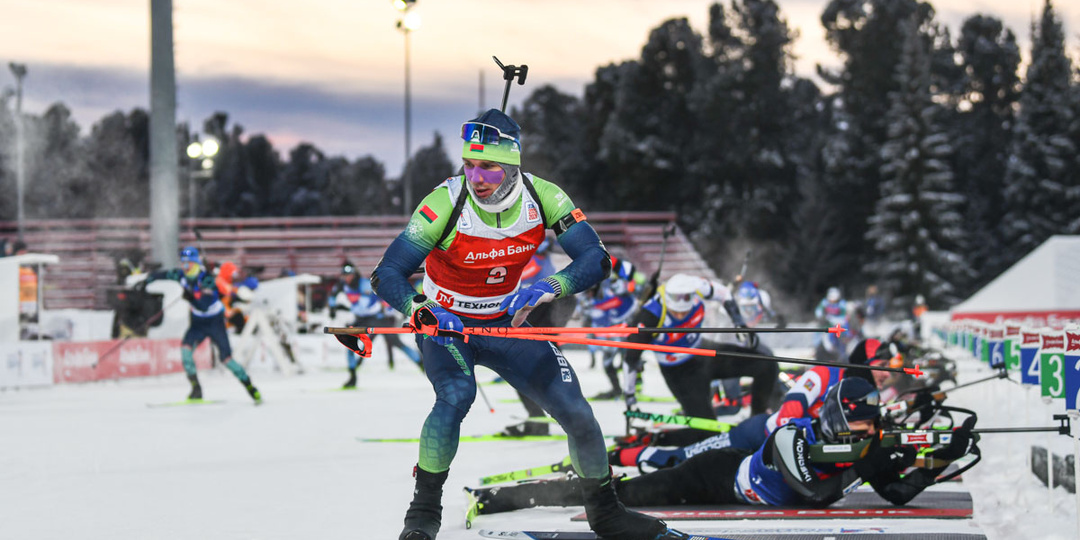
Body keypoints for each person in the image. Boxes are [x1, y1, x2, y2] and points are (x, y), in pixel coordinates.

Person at [369, 108, 684, 540]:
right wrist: (420, 308)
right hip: (448, 327)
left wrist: (552, 286)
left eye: (489, 168)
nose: (476, 178)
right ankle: (422, 513)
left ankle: (606, 514)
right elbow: (386, 272)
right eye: (469, 165)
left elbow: (597, 259)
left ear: (513, 166)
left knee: (577, 411)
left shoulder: (544, 197)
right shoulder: (445, 202)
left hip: (506, 323)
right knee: (455, 397)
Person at [467, 377, 979, 514]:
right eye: (864, 426)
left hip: (730, 473)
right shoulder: (794, 436)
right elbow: (813, 493)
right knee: (618, 496)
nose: (871, 433)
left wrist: (941, 457)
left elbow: (898, 492)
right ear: (841, 421)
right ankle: (512, 497)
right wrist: (870, 460)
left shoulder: (859, 451)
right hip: (712, 475)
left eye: (872, 428)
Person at [609, 339, 897, 470]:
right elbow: (790, 412)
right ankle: (616, 457)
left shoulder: (865, 396)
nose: (886, 374)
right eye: (882, 366)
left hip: (776, 459)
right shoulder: (825, 374)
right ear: (864, 363)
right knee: (680, 459)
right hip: (757, 436)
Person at [621, 273, 781, 424]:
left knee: (766, 364)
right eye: (675, 312)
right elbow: (630, 358)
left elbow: (724, 293)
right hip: (678, 372)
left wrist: (739, 323)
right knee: (708, 430)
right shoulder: (650, 315)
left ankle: (758, 418)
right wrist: (629, 395)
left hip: (703, 352)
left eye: (684, 312)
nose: (680, 316)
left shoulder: (696, 287)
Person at [141, 247, 261, 403]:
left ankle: (249, 385)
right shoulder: (181, 275)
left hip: (215, 322)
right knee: (186, 350)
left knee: (226, 359)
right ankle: (196, 389)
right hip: (198, 322)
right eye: (183, 263)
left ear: (196, 263)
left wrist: (190, 297)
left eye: (189, 263)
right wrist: (148, 279)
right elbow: (164, 274)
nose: (185, 266)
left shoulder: (207, 280)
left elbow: (204, 305)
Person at [330, 262, 421, 387]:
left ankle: (421, 363)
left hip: (378, 318)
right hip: (361, 319)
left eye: (349, 275)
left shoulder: (364, 284)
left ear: (354, 274)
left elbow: (382, 296)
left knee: (396, 343)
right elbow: (333, 296)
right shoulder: (343, 285)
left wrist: (395, 309)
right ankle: (352, 376)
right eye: (344, 276)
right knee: (350, 343)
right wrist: (333, 308)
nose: (347, 278)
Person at [583, 275, 639, 400]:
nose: (589, 294)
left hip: (625, 333)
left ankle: (633, 389)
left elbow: (629, 301)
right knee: (608, 363)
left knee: (630, 361)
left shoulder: (614, 292)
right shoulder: (594, 301)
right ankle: (617, 390)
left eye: (591, 291)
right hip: (612, 336)